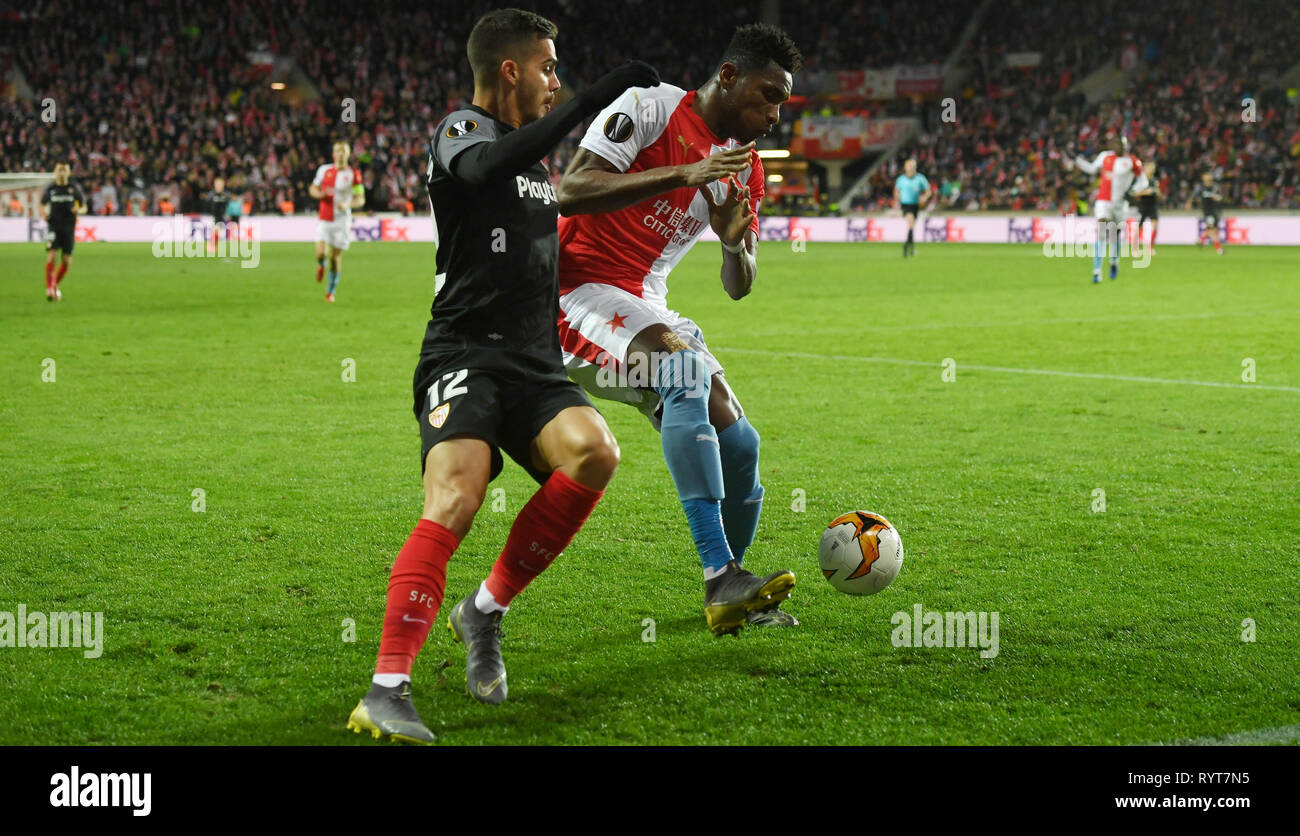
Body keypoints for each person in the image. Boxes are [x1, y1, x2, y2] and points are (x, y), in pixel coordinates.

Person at [346, 7, 659, 744]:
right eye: (549, 68)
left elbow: (566, 198)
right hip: (462, 352)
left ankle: (483, 611)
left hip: (532, 361)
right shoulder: (462, 132)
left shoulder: (539, 166)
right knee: (458, 494)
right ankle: (386, 690)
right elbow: (489, 166)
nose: (558, 82)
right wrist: (588, 103)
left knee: (596, 453)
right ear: (510, 70)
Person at [554, 23, 801, 637]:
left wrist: (733, 243)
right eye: (768, 95)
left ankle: (733, 591)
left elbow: (739, 285)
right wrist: (685, 174)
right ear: (728, 76)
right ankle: (721, 575)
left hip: (646, 302)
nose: (775, 114)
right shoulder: (648, 108)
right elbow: (571, 191)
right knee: (684, 373)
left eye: (783, 103)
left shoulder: (746, 173)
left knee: (742, 443)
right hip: (574, 292)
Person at [1071, 134, 1146, 282]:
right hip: (1103, 201)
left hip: (1119, 204)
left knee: (1115, 235)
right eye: (1114, 144)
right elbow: (1092, 169)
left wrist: (1133, 190)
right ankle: (1097, 271)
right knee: (1101, 232)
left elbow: (1143, 181)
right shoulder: (1105, 156)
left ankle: (1114, 261)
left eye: (1119, 145)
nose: (1116, 147)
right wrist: (1078, 161)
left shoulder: (1132, 161)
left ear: (1125, 147)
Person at [309, 141, 365, 302]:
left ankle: (330, 292)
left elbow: (360, 198)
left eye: (344, 151)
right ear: (333, 154)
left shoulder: (354, 174)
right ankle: (321, 264)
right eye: (338, 151)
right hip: (324, 219)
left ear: (348, 154)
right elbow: (312, 188)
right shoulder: (323, 170)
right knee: (321, 253)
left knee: (335, 258)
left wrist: (348, 204)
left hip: (341, 221)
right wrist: (317, 194)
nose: (340, 154)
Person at [40, 161, 87, 301]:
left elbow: (84, 207)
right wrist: (44, 214)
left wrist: (79, 210)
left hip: (68, 228)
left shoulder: (74, 188)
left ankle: (55, 285)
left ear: (68, 172)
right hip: (54, 226)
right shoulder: (51, 188)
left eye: (64, 170)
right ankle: (49, 289)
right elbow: (42, 205)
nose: (61, 173)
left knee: (66, 262)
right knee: (52, 256)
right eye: (59, 169)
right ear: (55, 171)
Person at [894, 158, 931, 257]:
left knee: (912, 225)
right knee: (911, 222)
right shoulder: (901, 179)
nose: (910, 169)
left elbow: (928, 191)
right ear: (905, 168)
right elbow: (897, 191)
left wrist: (924, 197)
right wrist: (897, 198)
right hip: (905, 205)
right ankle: (906, 245)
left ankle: (911, 247)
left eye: (912, 167)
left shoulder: (920, 179)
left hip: (915, 205)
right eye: (909, 167)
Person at [1132, 160, 1159, 254]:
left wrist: (1157, 192)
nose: (1152, 170)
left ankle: (1150, 248)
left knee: (1155, 226)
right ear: (1145, 169)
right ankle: (1135, 249)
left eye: (1153, 168)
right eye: (1150, 168)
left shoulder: (1155, 180)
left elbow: (1159, 193)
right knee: (1139, 227)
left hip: (1153, 205)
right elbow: (1134, 193)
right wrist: (1145, 192)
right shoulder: (1140, 180)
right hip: (1142, 205)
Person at [1197, 172, 1224, 254]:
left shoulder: (1215, 187)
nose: (1207, 178)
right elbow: (1196, 197)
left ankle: (1202, 238)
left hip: (1215, 211)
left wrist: (1217, 197)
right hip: (1207, 212)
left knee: (1214, 230)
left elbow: (1220, 197)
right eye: (1206, 176)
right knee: (1212, 230)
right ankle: (1219, 250)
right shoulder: (1201, 188)